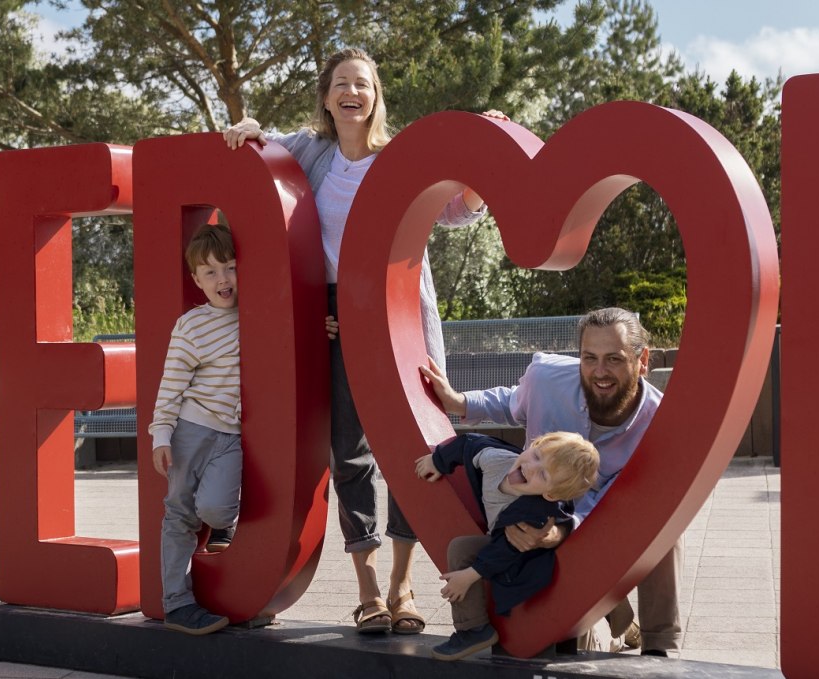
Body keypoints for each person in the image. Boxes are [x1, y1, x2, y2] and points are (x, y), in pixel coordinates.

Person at [221, 46, 504, 635]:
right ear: (326, 96)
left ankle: (404, 587)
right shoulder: (311, 150)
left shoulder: (400, 158)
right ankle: (370, 591)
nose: (353, 92)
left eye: (365, 84)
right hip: (332, 317)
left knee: (414, 451)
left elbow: (454, 208)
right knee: (349, 455)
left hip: (396, 318)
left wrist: (486, 162)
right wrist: (248, 129)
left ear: (377, 97)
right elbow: (264, 148)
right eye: (342, 83)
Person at [418, 307, 684, 656]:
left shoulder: (659, 426)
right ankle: (617, 622)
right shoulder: (547, 378)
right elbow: (512, 402)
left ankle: (659, 647)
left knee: (665, 526)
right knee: (567, 638)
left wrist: (557, 533)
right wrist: (460, 402)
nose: (600, 372)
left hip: (600, 534)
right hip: (531, 522)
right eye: (590, 358)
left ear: (642, 359)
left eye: (614, 359)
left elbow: (621, 512)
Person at [417, 431, 601, 661]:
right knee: (460, 547)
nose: (531, 467)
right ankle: (475, 629)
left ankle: (472, 630)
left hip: (531, 556)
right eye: (536, 454)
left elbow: (506, 549)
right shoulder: (496, 461)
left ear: (550, 494)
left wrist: (469, 576)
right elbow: (469, 443)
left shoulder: (536, 511)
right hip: (502, 539)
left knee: (487, 564)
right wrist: (439, 460)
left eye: (543, 474)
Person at [148, 224, 245, 635]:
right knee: (180, 515)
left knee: (216, 509)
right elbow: (171, 384)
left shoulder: (259, 313)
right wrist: (161, 435)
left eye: (229, 267)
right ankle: (177, 603)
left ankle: (223, 527)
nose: (222, 279)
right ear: (197, 281)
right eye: (210, 272)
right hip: (191, 429)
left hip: (233, 436)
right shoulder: (191, 325)